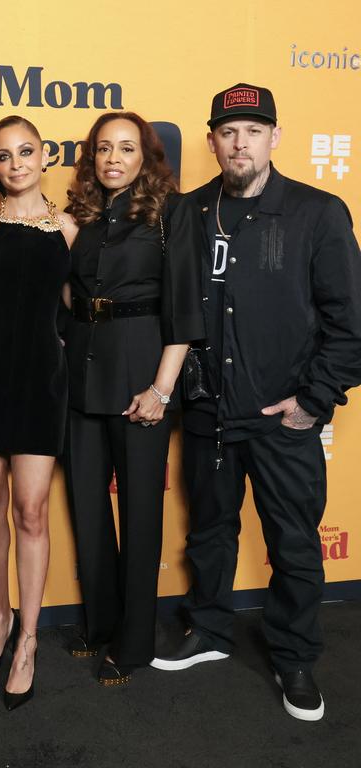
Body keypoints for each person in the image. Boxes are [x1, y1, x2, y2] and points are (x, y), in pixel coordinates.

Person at [150, 83, 361, 722]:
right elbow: (175, 311)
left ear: (275, 137)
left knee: (294, 542)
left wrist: (313, 399)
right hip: (211, 412)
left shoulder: (318, 213)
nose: (239, 143)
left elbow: (349, 322)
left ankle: (293, 655)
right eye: (227, 132)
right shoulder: (187, 212)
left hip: (280, 416)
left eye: (253, 130)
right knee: (210, 531)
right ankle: (210, 629)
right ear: (212, 139)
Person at [61, 112, 202, 686]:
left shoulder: (173, 212)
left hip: (143, 369)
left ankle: (134, 641)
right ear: (91, 157)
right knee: (87, 507)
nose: (113, 158)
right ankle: (100, 623)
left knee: (140, 511)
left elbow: (186, 308)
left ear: (146, 155)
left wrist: (162, 388)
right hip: (83, 366)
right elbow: (68, 292)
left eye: (125, 148)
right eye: (103, 149)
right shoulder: (83, 218)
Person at [0, 116, 77, 709]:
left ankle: (28, 639)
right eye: (4, 156)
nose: (16, 163)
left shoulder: (72, 231)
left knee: (30, 511)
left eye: (26, 152)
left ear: (45, 156)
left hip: (40, 383)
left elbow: (78, 313)